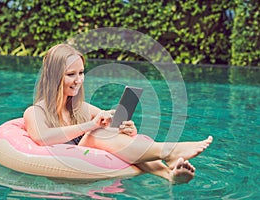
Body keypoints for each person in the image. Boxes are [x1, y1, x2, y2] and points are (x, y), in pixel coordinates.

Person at [23, 44, 213, 184]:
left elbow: (115, 133)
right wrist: (92, 125)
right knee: (98, 132)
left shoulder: (83, 108)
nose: (78, 80)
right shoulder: (35, 112)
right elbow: (42, 138)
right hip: (64, 175)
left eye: (81, 73)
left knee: (109, 130)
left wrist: (128, 129)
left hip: (92, 169)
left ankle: (167, 175)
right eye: (71, 74)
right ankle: (169, 151)